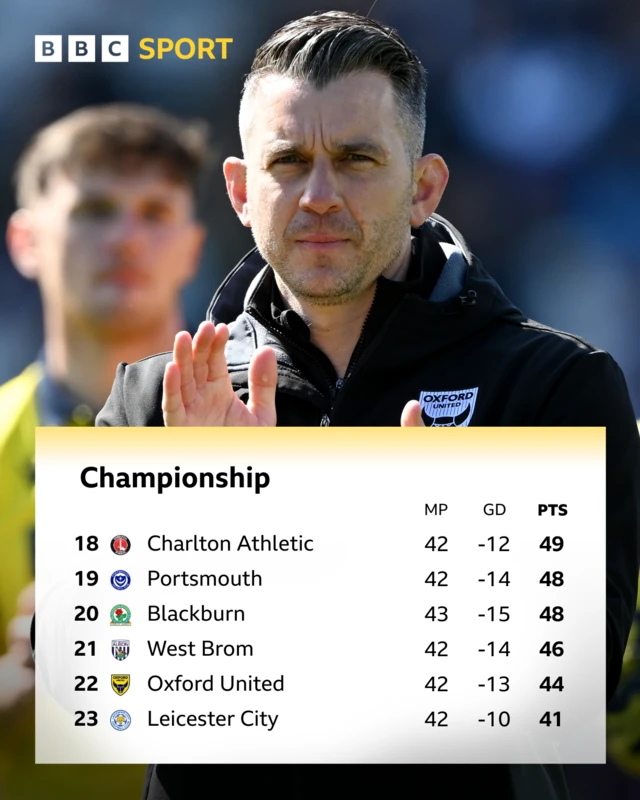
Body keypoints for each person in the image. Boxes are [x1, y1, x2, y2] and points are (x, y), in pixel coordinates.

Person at [96, 11, 640, 800]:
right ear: (243, 192)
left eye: (355, 159)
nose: (318, 195)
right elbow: (104, 686)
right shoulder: (159, 397)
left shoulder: (557, 385)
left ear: (423, 187)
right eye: (289, 161)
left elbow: (564, 687)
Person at [0, 103, 208, 798]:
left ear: (191, 247)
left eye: (154, 211)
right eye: (93, 210)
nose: (125, 238)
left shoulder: (286, 430)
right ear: (25, 241)